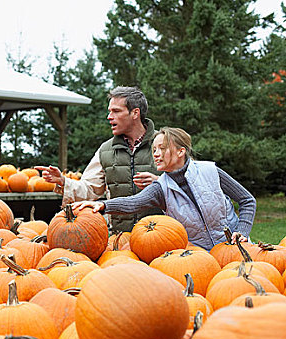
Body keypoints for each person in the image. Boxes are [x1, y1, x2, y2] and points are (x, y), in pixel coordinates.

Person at [72, 127, 256, 251]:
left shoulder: (210, 171)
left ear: (181, 151)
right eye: (154, 150)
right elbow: (133, 203)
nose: (156, 154)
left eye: (162, 148)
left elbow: (247, 200)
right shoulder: (161, 188)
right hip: (201, 257)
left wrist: (243, 231)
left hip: (236, 248)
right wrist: (102, 205)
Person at [36, 86, 162, 232]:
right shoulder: (105, 150)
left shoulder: (164, 143)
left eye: (116, 111)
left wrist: (159, 182)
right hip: (119, 237)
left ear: (135, 113)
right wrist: (63, 182)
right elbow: (89, 188)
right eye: (109, 111)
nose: (109, 117)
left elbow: (188, 182)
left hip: (160, 235)